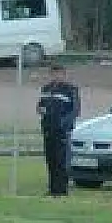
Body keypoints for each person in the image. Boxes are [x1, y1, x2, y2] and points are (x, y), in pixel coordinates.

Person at [37, 64, 80, 197]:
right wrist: (40, 109)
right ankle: (52, 189)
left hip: (62, 130)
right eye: (54, 74)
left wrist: (64, 124)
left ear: (64, 74)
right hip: (48, 128)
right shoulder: (46, 89)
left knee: (61, 159)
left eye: (59, 73)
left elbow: (75, 110)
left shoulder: (70, 89)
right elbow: (40, 105)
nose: (57, 76)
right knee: (51, 159)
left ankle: (61, 190)